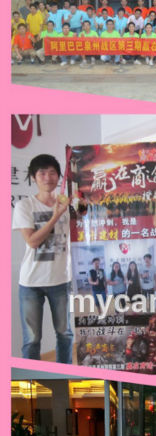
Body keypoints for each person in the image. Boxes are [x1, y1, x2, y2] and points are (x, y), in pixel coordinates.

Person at [12, 154, 73, 363]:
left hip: (61, 280)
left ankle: (66, 376)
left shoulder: (67, 205)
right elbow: (32, 241)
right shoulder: (25, 206)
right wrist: (55, 216)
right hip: (31, 283)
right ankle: (31, 380)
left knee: (65, 335)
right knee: (32, 339)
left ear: (58, 176)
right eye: (42, 173)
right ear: (33, 177)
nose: (48, 177)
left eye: (52, 172)